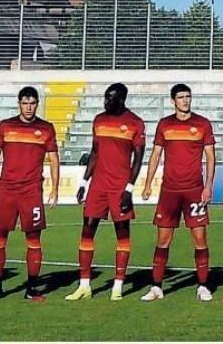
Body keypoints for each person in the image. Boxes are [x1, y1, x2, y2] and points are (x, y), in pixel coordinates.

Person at [66, 83, 145, 301]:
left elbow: (138, 159)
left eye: (111, 98)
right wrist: (84, 182)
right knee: (87, 228)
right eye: (105, 98)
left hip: (120, 186)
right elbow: (94, 152)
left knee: (122, 231)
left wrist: (129, 188)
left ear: (122, 99)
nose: (106, 101)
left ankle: (118, 286)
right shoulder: (99, 120)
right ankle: (84, 285)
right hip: (98, 185)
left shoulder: (135, 123)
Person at [0, 86, 60, 303]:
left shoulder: (46, 128)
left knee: (33, 239)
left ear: (37, 104)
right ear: (19, 104)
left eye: (32, 103)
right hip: (6, 190)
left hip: (31, 191)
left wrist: (55, 188)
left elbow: (53, 159)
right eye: (25, 103)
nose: (28, 107)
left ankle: (32, 289)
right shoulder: (6, 126)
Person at [140, 84, 217, 302]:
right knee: (163, 240)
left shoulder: (202, 124)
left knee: (200, 239)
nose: (185, 101)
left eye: (188, 97)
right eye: (181, 97)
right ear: (173, 100)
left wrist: (209, 184)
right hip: (169, 191)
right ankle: (156, 287)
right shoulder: (165, 124)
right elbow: (155, 154)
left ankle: (203, 286)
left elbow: (210, 156)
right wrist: (147, 183)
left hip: (194, 191)